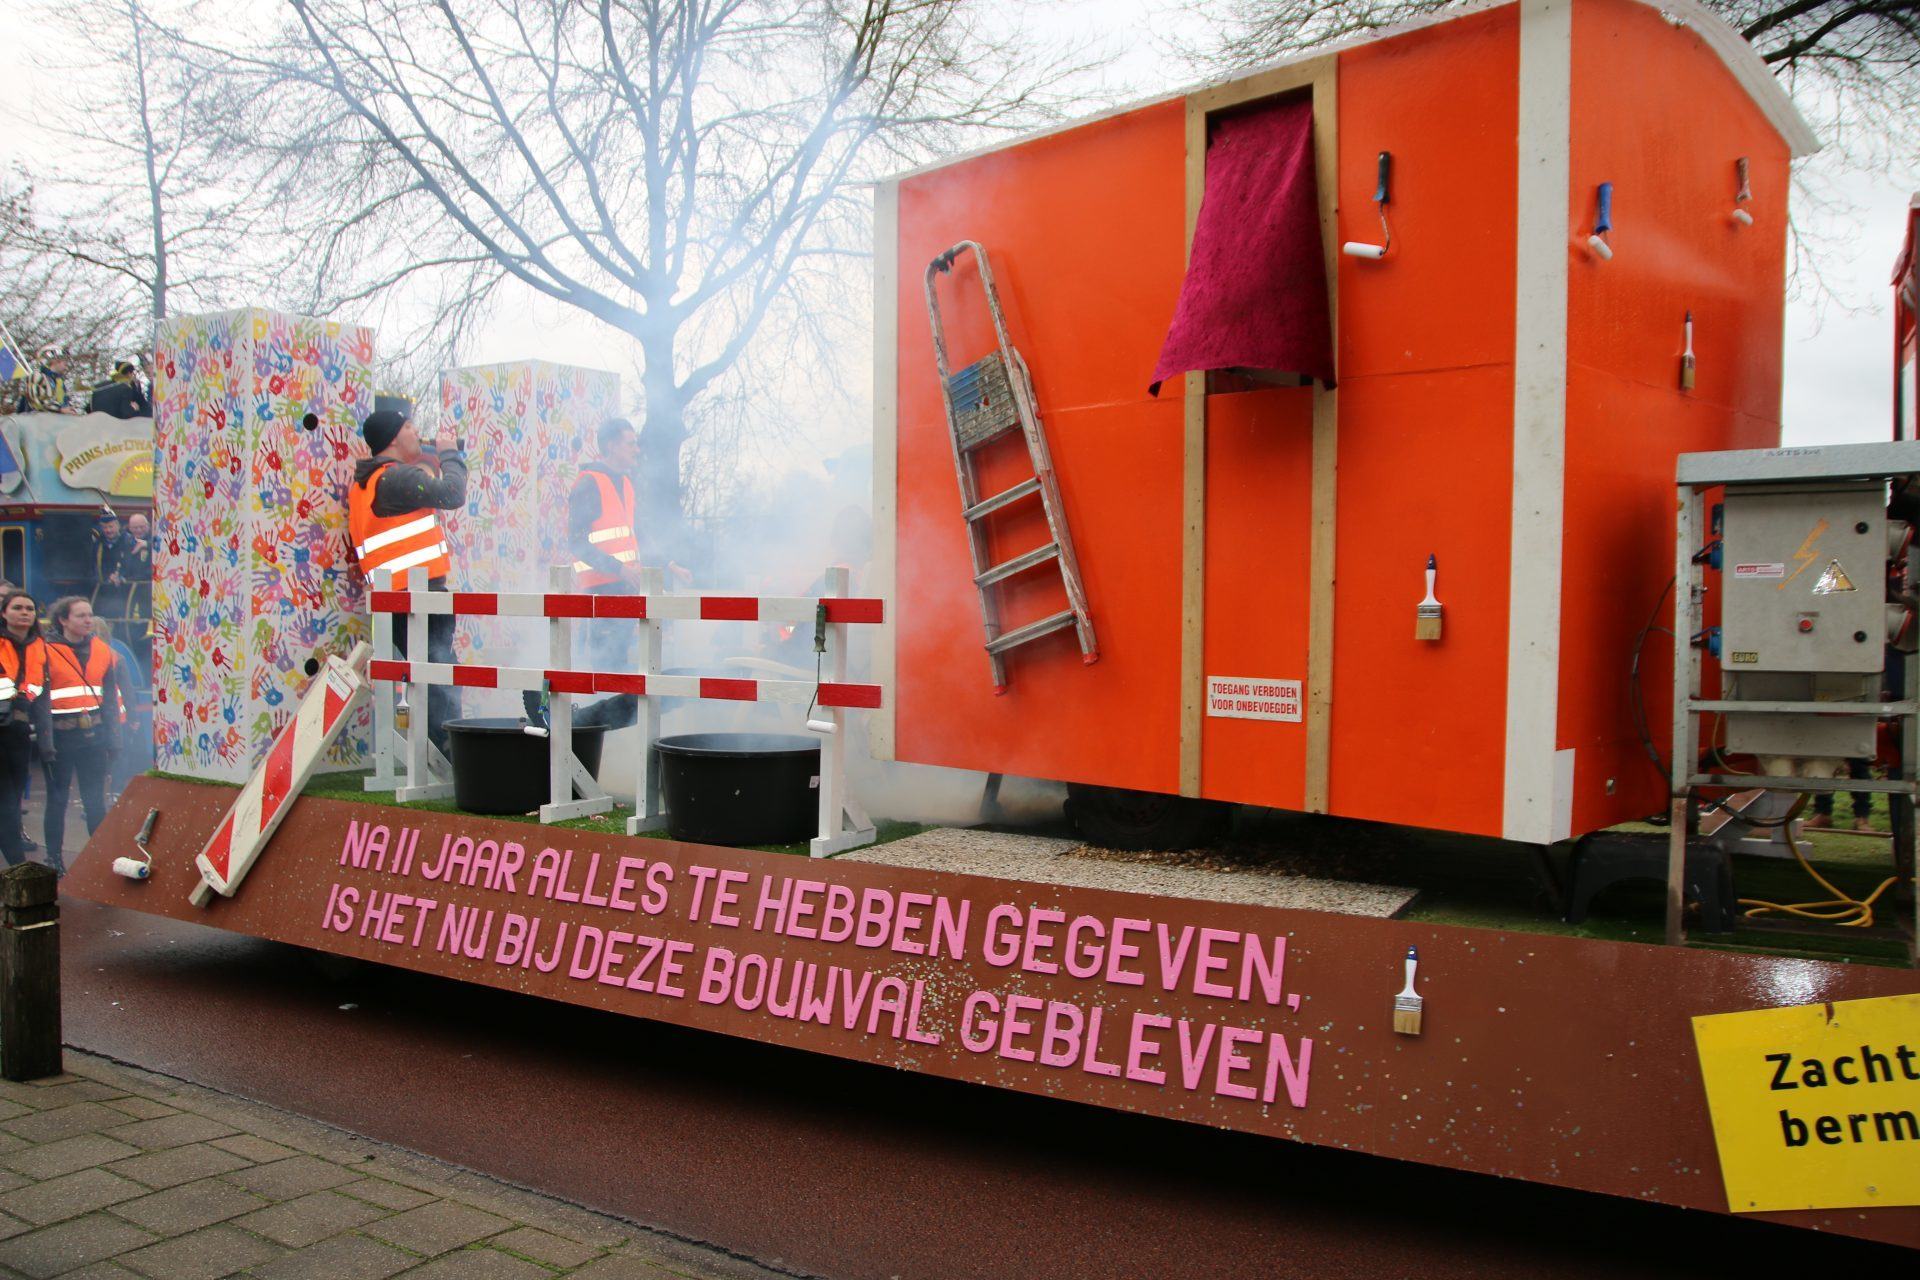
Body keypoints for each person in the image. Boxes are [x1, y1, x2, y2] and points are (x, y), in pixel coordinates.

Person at [348, 397, 466, 755]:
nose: (417, 432)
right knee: (441, 677)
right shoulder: (397, 477)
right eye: (410, 427)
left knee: (431, 677)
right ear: (393, 438)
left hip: (397, 598)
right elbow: (453, 493)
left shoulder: (368, 482)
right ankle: (449, 755)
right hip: (419, 597)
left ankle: (438, 754)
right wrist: (450, 454)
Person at [35, 596, 124, 875]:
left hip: (94, 736)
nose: (88, 620)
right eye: (81, 615)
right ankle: (54, 858)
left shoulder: (102, 650)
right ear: (63, 619)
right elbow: (40, 700)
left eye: (90, 614)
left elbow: (110, 700)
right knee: (58, 800)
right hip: (60, 737)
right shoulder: (45, 651)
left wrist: (114, 738)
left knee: (94, 799)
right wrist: (46, 744)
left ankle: (99, 857)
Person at [0, 591, 46, 867]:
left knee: (13, 798)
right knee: (5, 800)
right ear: (4, 613)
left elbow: (43, 695)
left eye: (29, 608)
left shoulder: (40, 647)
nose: (25, 612)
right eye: (17, 608)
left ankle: (15, 862)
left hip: (19, 732)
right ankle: (17, 864)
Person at [90, 509, 135, 621]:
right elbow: (95, 566)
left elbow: (133, 564)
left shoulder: (129, 541)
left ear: (118, 526)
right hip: (104, 590)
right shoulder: (98, 544)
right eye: (105, 527)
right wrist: (106, 578)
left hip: (125, 589)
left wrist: (121, 576)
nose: (108, 530)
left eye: (111, 526)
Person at [88, 362, 152, 419]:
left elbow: (88, 408)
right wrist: (136, 410)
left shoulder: (99, 386)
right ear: (129, 374)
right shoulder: (125, 388)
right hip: (115, 424)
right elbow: (127, 413)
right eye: (133, 373)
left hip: (97, 422)